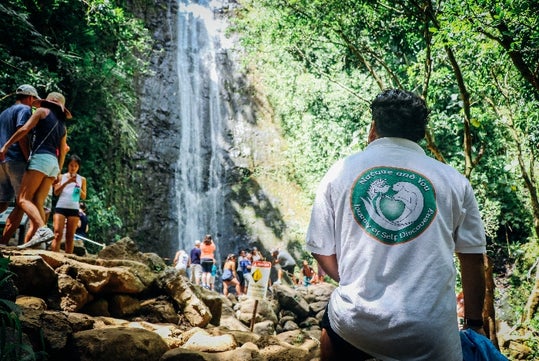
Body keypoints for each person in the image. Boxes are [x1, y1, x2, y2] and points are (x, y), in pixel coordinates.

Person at [306, 89, 487, 361]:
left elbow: (320, 248)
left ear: (373, 128)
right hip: (430, 334)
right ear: (422, 134)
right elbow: (472, 259)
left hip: (356, 324)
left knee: (332, 328)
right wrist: (474, 323)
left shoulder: (341, 171)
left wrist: (352, 280)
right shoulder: (454, 181)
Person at [0, 92, 71, 248]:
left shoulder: (41, 112)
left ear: (49, 101)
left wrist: (6, 146)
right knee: (38, 201)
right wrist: (59, 170)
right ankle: (39, 242)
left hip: (40, 159)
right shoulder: (62, 125)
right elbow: (63, 149)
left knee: (23, 199)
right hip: (53, 165)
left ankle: (43, 230)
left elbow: (24, 129)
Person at [0, 85, 40, 245]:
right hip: (16, 159)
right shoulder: (24, 110)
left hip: (2, 161)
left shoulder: (3, 113)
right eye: (34, 100)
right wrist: (27, 157)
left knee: (2, 203)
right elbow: (22, 133)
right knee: (23, 201)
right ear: (30, 98)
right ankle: (3, 242)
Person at [50, 154, 86, 254]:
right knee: (57, 234)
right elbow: (56, 192)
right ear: (68, 165)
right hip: (61, 206)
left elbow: (83, 196)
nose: (73, 168)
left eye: (75, 166)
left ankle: (68, 259)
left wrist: (77, 186)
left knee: (70, 237)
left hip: (73, 208)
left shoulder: (81, 179)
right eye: (71, 165)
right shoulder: (61, 177)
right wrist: (67, 182)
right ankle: (54, 257)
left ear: (78, 167)